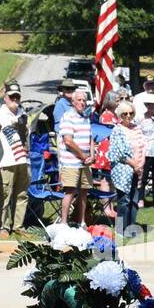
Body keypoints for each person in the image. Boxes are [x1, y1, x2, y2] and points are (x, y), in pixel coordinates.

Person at [0, 81, 30, 238]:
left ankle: (18, 226)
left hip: (23, 159)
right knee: (5, 194)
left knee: (22, 194)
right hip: (6, 160)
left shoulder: (24, 114)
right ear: (5, 97)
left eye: (17, 96)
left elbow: (27, 136)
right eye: (12, 96)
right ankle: (3, 226)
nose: (15, 99)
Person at [108, 100, 144, 233]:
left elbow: (143, 146)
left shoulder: (137, 128)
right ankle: (120, 229)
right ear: (120, 115)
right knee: (124, 200)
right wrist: (133, 163)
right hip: (123, 170)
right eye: (125, 113)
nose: (128, 116)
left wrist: (140, 163)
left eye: (131, 113)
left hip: (138, 169)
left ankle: (131, 228)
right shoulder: (117, 130)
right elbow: (117, 153)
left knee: (134, 200)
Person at [59, 88, 93, 226]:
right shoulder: (67, 117)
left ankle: (81, 221)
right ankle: (64, 223)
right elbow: (68, 141)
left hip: (85, 162)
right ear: (73, 102)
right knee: (70, 191)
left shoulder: (86, 117)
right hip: (71, 162)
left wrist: (92, 155)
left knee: (84, 192)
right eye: (79, 100)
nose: (82, 103)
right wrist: (82, 155)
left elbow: (91, 138)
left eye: (84, 100)